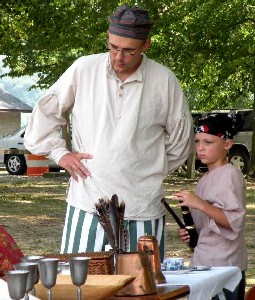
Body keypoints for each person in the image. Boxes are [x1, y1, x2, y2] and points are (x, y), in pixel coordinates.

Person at [24, 3, 193, 260]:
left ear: (146, 45)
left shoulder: (164, 80)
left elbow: (181, 142)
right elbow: (46, 113)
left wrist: (143, 167)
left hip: (142, 206)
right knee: (79, 285)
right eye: (113, 47)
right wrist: (61, 154)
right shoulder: (84, 69)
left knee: (140, 289)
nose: (118, 57)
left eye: (128, 51)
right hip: (86, 202)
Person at [173, 113, 247, 300]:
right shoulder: (205, 178)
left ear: (227, 144)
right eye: (197, 142)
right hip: (204, 263)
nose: (200, 148)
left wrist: (199, 203)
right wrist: (192, 232)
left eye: (208, 142)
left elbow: (233, 222)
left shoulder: (229, 175)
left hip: (224, 268)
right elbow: (210, 223)